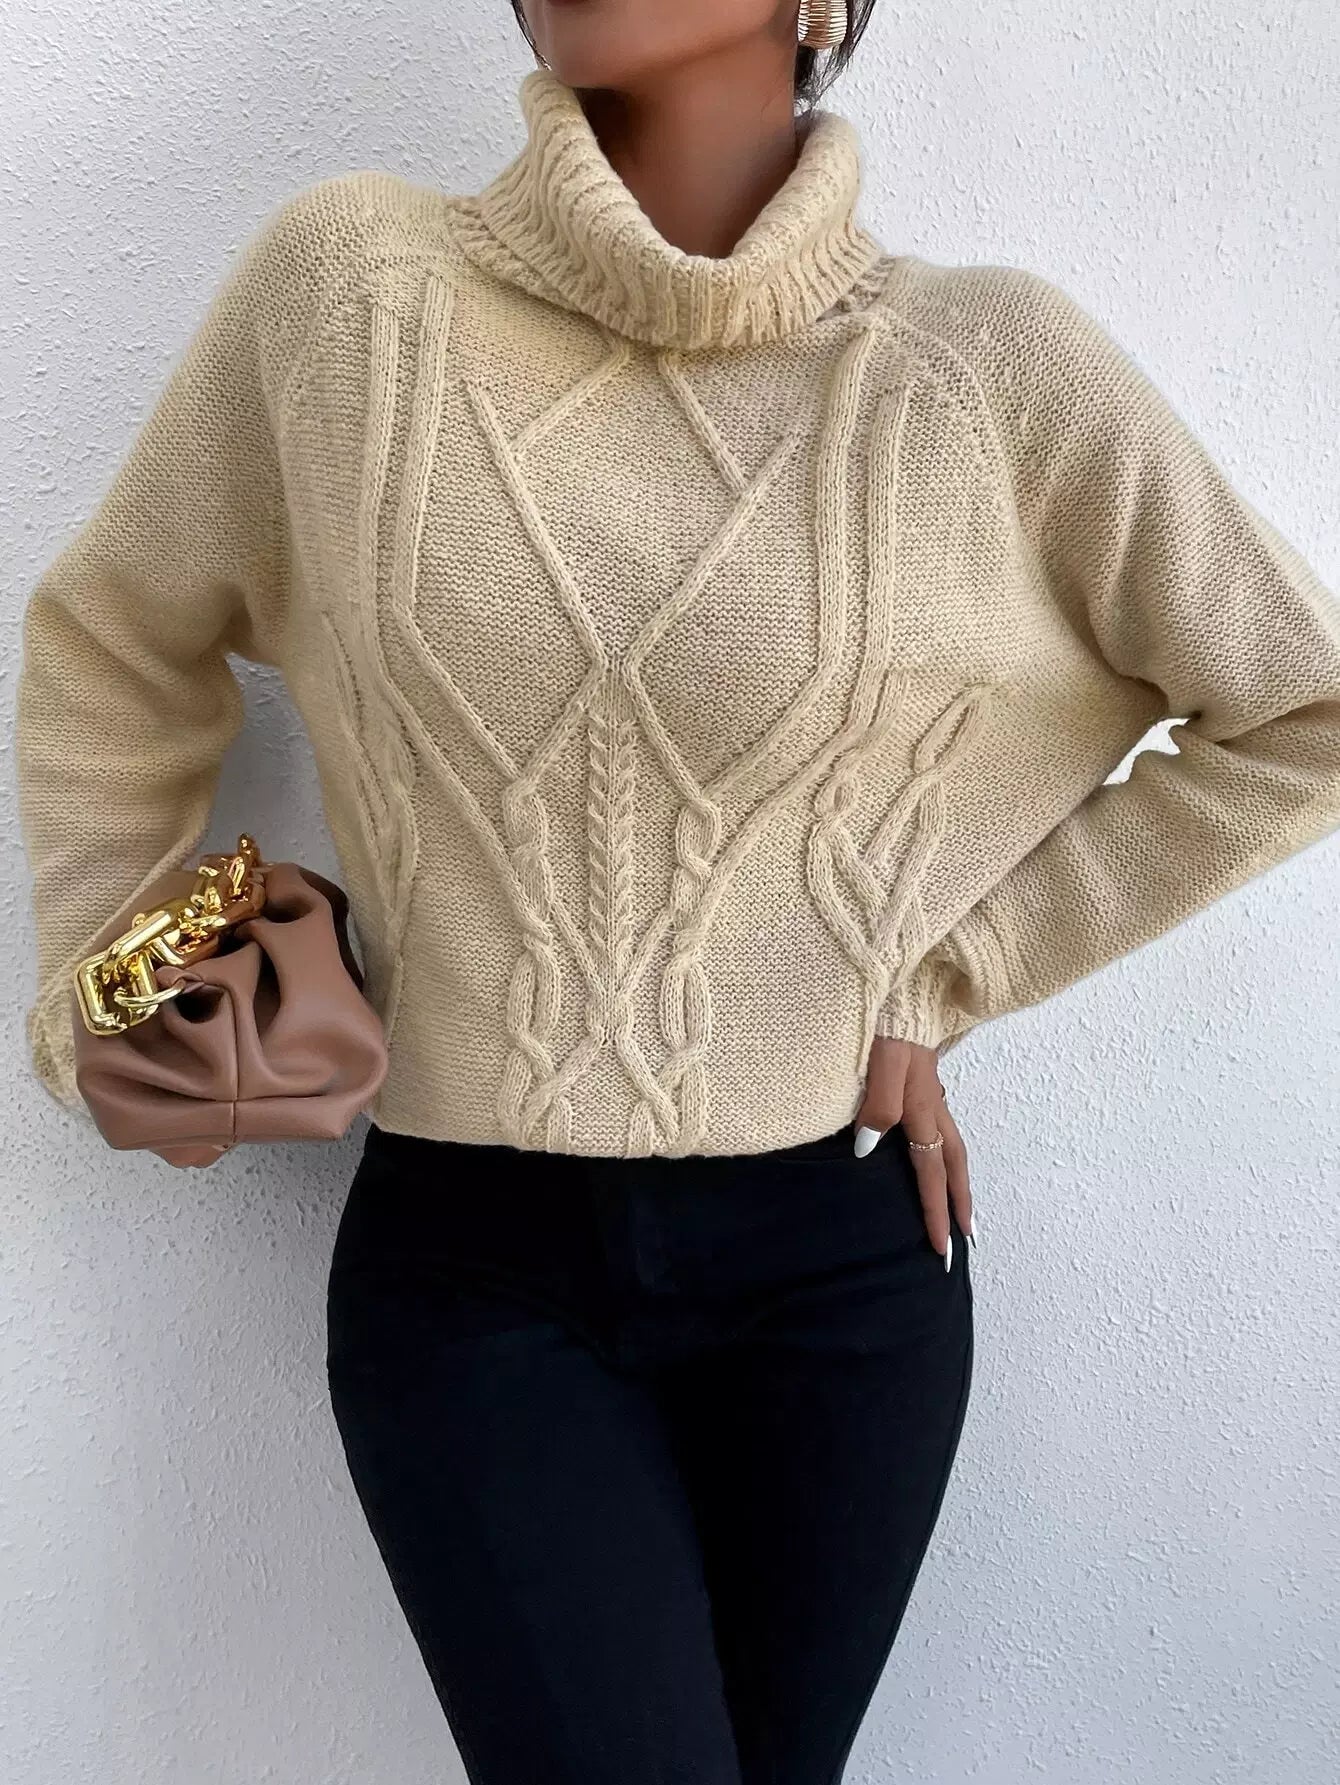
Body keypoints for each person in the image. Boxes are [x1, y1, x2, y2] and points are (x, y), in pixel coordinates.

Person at [14, 3, 1340, 1781]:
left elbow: (1303, 708)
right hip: (473, 1266)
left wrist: (944, 974)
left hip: (843, 1267)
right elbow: (109, 639)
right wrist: (125, 989)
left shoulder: (981, 367)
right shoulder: (351, 295)